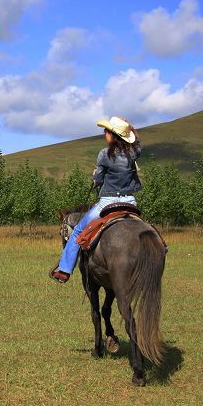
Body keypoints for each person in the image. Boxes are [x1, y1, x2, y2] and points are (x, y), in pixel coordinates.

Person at [49, 116, 142, 284]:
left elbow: (98, 179)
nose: (104, 133)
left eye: (107, 131)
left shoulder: (104, 154)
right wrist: (129, 126)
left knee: (77, 230)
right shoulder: (133, 152)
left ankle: (64, 270)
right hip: (130, 201)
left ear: (114, 135)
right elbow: (137, 142)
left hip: (108, 202)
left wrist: (96, 178)